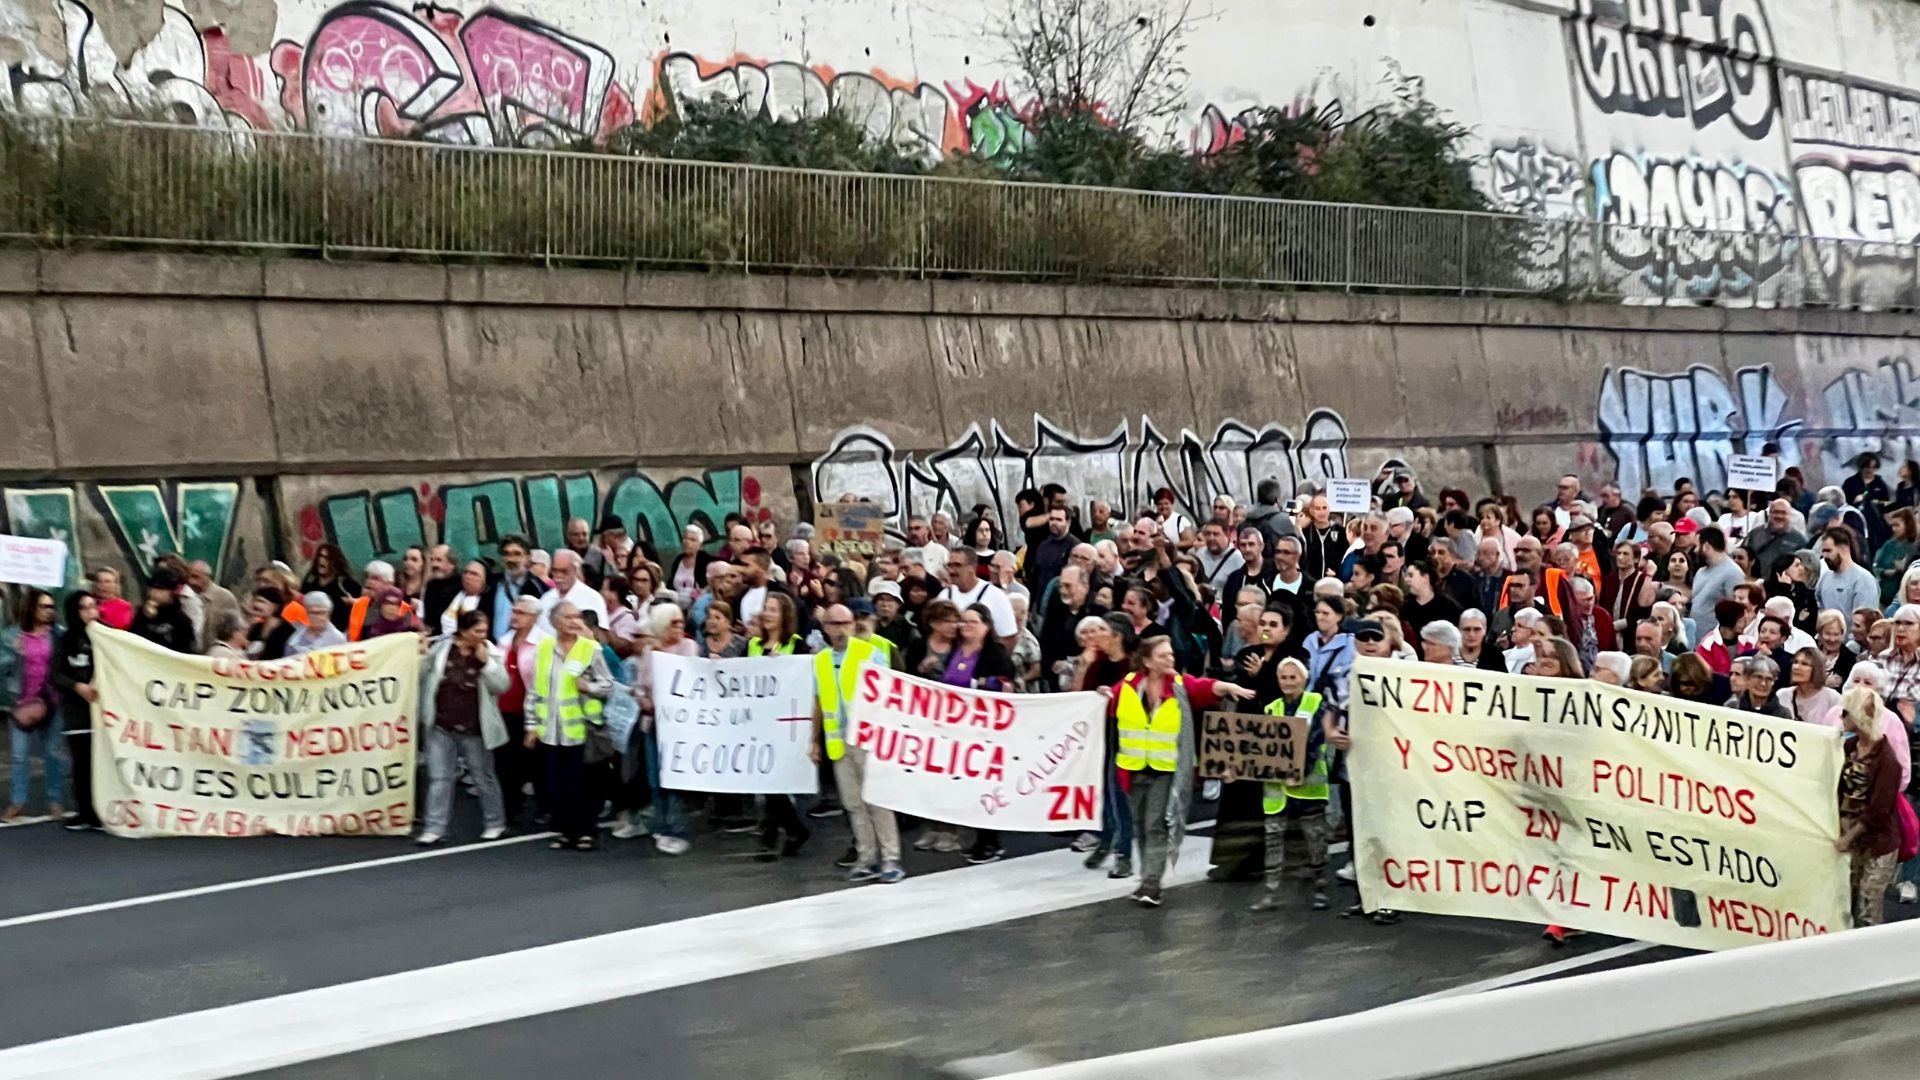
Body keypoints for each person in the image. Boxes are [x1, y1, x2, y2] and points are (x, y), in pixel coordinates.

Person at [1105, 635, 1256, 907]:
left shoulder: (1179, 685)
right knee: (1140, 826)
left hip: (1166, 769)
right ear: (1147, 661)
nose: (1170, 659)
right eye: (1163, 655)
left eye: (1171, 654)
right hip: (1132, 769)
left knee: (1155, 824)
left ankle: (1152, 882)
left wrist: (1227, 687)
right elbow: (1105, 706)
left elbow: (1204, 687)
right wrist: (1099, 694)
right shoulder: (1126, 686)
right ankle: (1147, 878)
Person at [812, 602, 902, 884]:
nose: (840, 630)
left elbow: (888, 694)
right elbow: (818, 701)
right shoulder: (821, 660)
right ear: (825, 627)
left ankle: (890, 858)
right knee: (853, 803)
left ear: (852, 625)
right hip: (838, 741)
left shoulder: (869, 654)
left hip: (867, 738)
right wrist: (814, 740)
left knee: (877, 800)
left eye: (845, 623)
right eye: (834, 624)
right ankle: (867, 857)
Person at [524, 601, 614, 852]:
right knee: (556, 783)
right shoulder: (544, 649)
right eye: (569, 617)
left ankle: (584, 831)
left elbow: (608, 685)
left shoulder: (590, 649)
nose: (575, 621)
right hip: (550, 731)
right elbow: (534, 691)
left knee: (580, 784)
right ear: (555, 621)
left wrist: (589, 687)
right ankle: (565, 831)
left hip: (580, 730)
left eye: (578, 617)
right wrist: (531, 726)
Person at [1247, 657, 1333, 913]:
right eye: (1283, 677)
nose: (1287, 682)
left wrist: (1301, 771)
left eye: (1293, 677)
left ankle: (1320, 887)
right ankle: (1271, 892)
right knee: (1273, 839)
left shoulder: (1317, 703)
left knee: (1314, 839)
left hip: (1309, 787)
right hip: (1276, 791)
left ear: (1304, 680)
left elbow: (1316, 741)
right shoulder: (1271, 709)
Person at [417, 610, 510, 845]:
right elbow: (423, 675)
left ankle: (495, 822)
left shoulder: (490, 652)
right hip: (441, 723)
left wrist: (486, 663)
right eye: (477, 631)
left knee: (483, 777)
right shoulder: (442, 649)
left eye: (485, 631)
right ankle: (435, 827)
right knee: (439, 778)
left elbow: (502, 685)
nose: (482, 636)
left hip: (474, 726)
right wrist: (422, 654)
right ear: (463, 631)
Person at [943, 603, 1019, 863]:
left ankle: (991, 841)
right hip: (959, 728)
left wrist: (979, 683)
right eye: (963, 621)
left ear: (986, 626)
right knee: (967, 785)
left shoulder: (994, 653)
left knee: (986, 784)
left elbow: (1006, 683)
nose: (966, 626)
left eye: (972, 622)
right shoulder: (955, 650)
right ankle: (975, 836)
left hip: (986, 729)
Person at [1836, 686, 1901, 928]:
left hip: (1877, 842)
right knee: (1847, 902)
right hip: (1853, 836)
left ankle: (1875, 949)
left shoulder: (1888, 761)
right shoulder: (1849, 748)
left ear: (1859, 714)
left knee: (1867, 906)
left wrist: (1848, 836)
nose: (1841, 717)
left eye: (1846, 712)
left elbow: (1879, 810)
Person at [2, 589, 63, 822]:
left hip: (50, 701)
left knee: (52, 752)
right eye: (43, 606)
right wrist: (16, 654)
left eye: (51, 607)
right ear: (31, 608)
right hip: (21, 704)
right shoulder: (13, 636)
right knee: (19, 756)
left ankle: (55, 798)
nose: (49, 611)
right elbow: (4, 668)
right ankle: (17, 801)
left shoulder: (57, 634)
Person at [50, 591, 100, 830]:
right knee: (81, 763)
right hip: (77, 712)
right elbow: (55, 674)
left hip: (104, 711)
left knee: (101, 763)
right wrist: (76, 686)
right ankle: (85, 812)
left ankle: (102, 810)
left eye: (93, 606)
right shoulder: (66, 639)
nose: (91, 612)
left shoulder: (108, 635)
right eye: (84, 608)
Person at [131, 568, 197, 653]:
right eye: (152, 588)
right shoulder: (142, 612)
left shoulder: (181, 621)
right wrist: (144, 618)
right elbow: (132, 637)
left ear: (171, 592)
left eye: (160, 589)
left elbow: (185, 651)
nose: (154, 593)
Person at [300, 542, 361, 631]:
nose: (322, 560)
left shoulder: (346, 585)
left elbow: (362, 606)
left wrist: (353, 603)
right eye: (320, 556)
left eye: (327, 558)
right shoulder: (309, 585)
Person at [1778, 647, 1842, 724]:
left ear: (1817, 669)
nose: (1796, 667)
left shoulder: (1833, 698)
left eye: (1804, 664)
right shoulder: (1782, 695)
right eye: (1795, 662)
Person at [1876, 507, 1919, 607]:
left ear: (1907, 525)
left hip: (1905, 600)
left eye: (1897, 525)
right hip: (1883, 597)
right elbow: (1876, 567)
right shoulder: (1889, 545)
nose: (1893, 529)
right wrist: (1884, 572)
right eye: (1892, 526)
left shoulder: (1915, 548)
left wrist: (1904, 567)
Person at [284, 592, 348, 656]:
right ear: (306, 614)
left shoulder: (338, 640)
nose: (318, 617)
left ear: (328, 614)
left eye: (322, 612)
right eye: (313, 613)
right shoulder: (294, 640)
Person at [669, 525, 716, 604]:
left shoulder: (706, 562)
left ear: (700, 545)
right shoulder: (678, 560)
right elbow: (670, 584)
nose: (687, 542)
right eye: (685, 538)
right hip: (675, 603)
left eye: (692, 540)